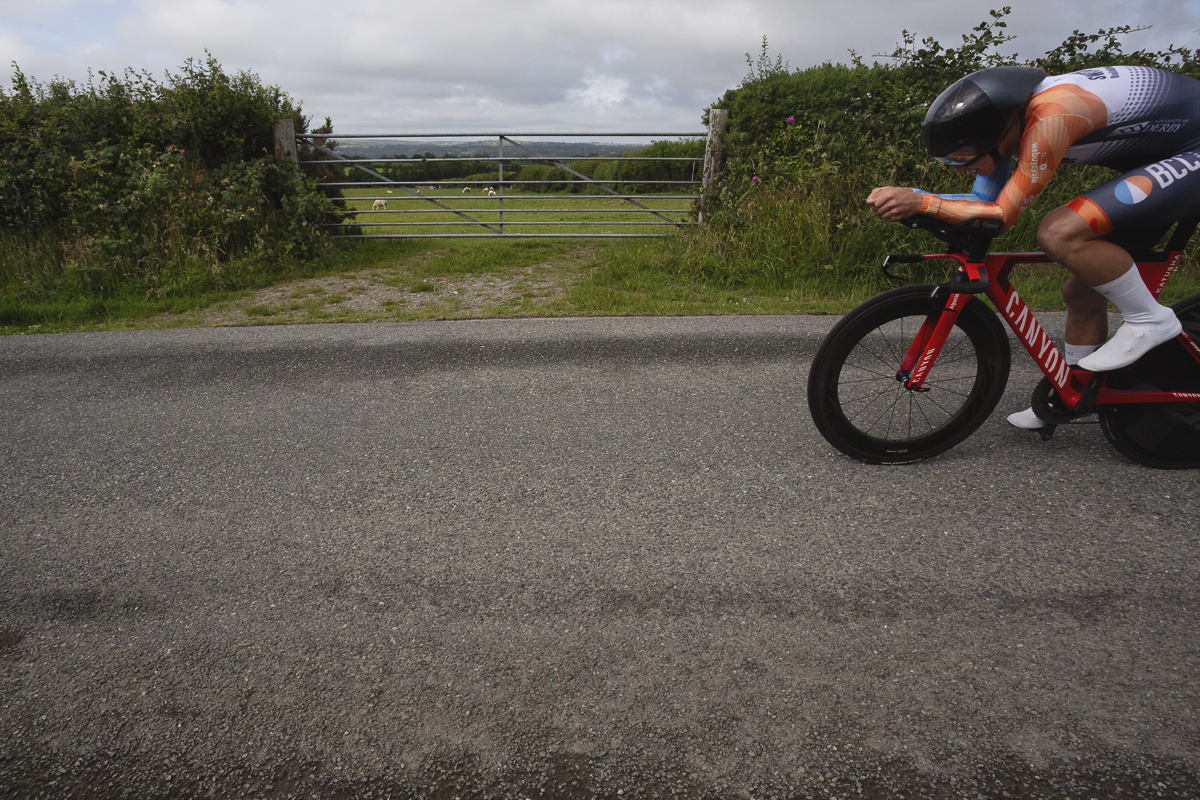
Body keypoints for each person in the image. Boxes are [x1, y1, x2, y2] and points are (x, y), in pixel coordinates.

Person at [867, 64, 1200, 430]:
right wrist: (916, 198)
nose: (957, 168)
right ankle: (1073, 393)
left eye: (962, 156)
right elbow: (980, 200)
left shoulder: (1051, 116)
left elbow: (1001, 215)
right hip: (1164, 157)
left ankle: (1151, 319)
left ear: (994, 137)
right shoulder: (1010, 123)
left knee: (1058, 232)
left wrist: (921, 202)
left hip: (1191, 153)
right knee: (1083, 292)